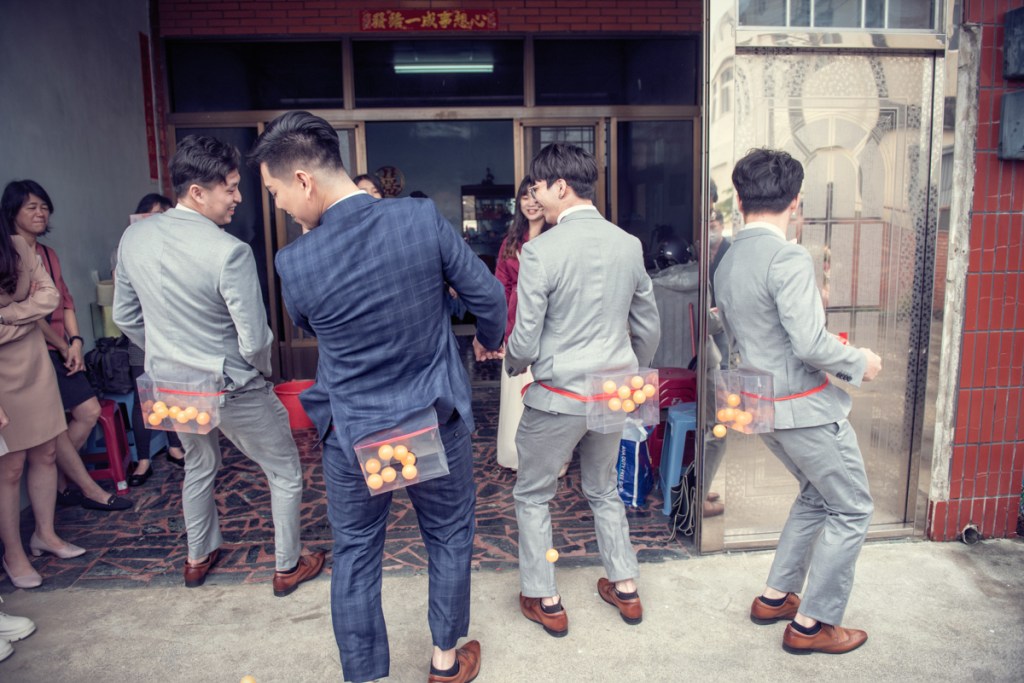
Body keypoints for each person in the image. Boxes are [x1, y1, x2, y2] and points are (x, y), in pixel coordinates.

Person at [253, 110, 505, 683]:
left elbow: (308, 322)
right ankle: (445, 661)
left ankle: (365, 675)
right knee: (448, 535)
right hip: (431, 419)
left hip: (354, 431)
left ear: (303, 181)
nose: (279, 206)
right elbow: (488, 297)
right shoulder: (418, 218)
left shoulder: (295, 261)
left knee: (357, 552)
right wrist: (488, 343)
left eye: (274, 191)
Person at [113, 135, 325, 594]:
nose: (238, 197)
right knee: (284, 470)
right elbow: (255, 338)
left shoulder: (134, 237)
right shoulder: (229, 250)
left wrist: (167, 352)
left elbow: (125, 317)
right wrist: (261, 374)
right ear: (197, 192)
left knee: (199, 463)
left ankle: (197, 557)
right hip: (231, 385)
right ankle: (288, 565)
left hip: (171, 385)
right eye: (230, 187)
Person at [713, 148, 882, 655]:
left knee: (815, 494)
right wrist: (860, 361)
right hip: (803, 408)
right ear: (796, 201)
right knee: (851, 507)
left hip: (761, 407)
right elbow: (809, 344)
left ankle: (776, 596)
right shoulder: (787, 256)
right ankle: (812, 624)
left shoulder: (728, 258)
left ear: (739, 197)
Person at [505, 143, 661, 638]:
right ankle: (625, 586)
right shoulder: (628, 244)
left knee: (534, 495)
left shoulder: (541, 251)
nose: (535, 198)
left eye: (538, 188)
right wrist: (633, 370)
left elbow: (525, 337)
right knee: (603, 488)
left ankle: (545, 597)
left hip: (560, 397)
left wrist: (512, 363)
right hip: (614, 393)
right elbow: (648, 327)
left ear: (560, 186)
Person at [1, 180, 132, 513]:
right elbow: (31, 316)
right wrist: (61, 345)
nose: (40, 213)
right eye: (31, 207)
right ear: (12, 212)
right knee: (63, 424)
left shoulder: (48, 254)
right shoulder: (9, 257)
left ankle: (59, 481)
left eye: (44, 207)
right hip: (36, 352)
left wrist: (75, 342)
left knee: (84, 414)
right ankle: (85, 488)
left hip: (60, 348)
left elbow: (63, 301)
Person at [0, 222, 84, 589]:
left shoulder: (17, 246)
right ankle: (13, 552)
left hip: (35, 363)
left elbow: (50, 297)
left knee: (47, 452)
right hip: (2, 375)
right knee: (10, 467)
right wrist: (26, 314)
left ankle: (45, 534)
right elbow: (36, 309)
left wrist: (9, 314)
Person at [117, 193, 187, 481]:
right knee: (143, 396)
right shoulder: (127, 248)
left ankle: (175, 447)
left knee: (172, 391)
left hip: (173, 335)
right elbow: (124, 304)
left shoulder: (177, 250)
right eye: (155, 214)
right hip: (141, 336)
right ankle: (143, 460)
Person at [493, 177, 549, 471]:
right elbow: (501, 287)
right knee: (517, 394)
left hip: (550, 324)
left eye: (536, 195)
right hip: (515, 324)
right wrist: (502, 330)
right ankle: (515, 455)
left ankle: (549, 459)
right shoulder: (511, 241)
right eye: (525, 197)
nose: (531, 203)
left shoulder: (557, 236)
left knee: (546, 393)